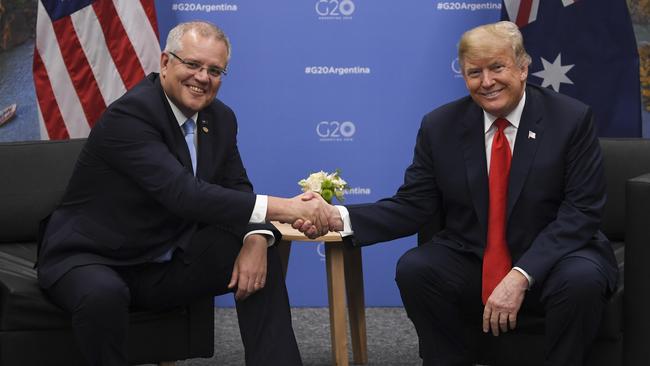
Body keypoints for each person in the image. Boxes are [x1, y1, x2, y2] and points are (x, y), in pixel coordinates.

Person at [298, 21, 618, 366]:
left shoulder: (570, 119)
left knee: (581, 280)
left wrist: (521, 274)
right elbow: (413, 204)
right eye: (474, 72)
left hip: (555, 256)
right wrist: (337, 217)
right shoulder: (441, 126)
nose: (487, 82)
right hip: (475, 253)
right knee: (417, 268)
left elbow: (580, 212)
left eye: (497, 67)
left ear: (523, 68)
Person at [37, 21, 330, 366]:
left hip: (162, 260)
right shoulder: (131, 115)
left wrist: (257, 237)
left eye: (215, 70)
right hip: (92, 257)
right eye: (192, 64)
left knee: (258, 253)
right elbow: (184, 195)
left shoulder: (221, 119)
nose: (202, 77)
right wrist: (288, 209)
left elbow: (236, 188)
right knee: (104, 294)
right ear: (165, 63)